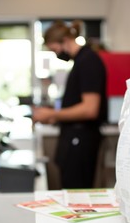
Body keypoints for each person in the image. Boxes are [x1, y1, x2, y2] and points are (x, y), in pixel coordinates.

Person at [33, 20, 107, 189]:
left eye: (54, 49)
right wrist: (53, 117)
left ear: (65, 40)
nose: (55, 54)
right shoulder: (80, 61)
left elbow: (90, 109)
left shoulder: (88, 61)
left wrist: (52, 114)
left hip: (81, 141)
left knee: (77, 194)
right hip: (73, 140)